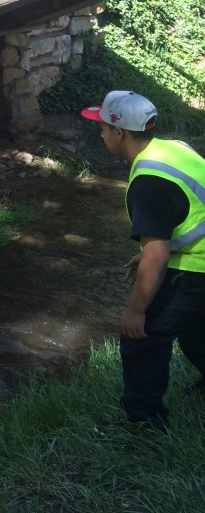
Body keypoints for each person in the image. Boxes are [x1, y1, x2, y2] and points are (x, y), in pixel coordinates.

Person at [81, 90, 205, 429]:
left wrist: (135, 311)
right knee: (195, 327)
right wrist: (151, 252)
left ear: (119, 132)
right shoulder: (174, 148)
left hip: (196, 269)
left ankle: (145, 423)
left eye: (104, 127)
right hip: (198, 257)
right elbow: (187, 214)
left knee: (143, 337)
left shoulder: (148, 181)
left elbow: (158, 254)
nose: (101, 133)